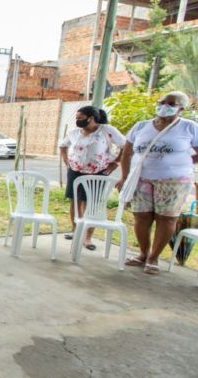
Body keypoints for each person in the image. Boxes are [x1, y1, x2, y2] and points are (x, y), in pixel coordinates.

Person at [119, 91, 198, 275]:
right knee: (141, 216)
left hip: (174, 180)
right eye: (162, 102)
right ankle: (143, 254)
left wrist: (183, 162)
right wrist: (124, 177)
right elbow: (127, 154)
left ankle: (153, 258)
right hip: (142, 178)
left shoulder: (189, 127)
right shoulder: (141, 127)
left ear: (181, 108)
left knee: (167, 218)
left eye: (171, 103)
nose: (164, 105)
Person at [59, 106, 125, 250]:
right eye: (76, 118)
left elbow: (125, 146)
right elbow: (63, 146)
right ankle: (76, 230)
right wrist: (66, 161)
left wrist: (116, 163)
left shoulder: (106, 130)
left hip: (98, 172)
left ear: (92, 118)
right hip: (75, 171)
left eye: (80, 118)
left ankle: (87, 237)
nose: (77, 121)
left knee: (92, 204)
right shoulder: (74, 132)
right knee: (75, 201)